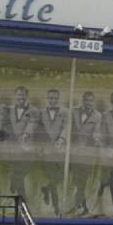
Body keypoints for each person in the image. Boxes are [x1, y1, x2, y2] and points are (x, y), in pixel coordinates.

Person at [2, 85, 40, 199]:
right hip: (12, 149)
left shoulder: (34, 110)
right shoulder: (9, 110)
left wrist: (26, 134)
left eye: (23, 95)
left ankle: (14, 184)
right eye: (19, 95)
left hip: (27, 149)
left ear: (27, 96)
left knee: (21, 172)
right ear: (15, 96)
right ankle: (21, 200)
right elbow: (5, 125)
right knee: (18, 173)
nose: (21, 97)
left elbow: (32, 124)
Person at [69, 91, 102, 215]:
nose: (89, 103)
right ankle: (81, 206)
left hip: (87, 154)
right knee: (78, 180)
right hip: (75, 152)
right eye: (87, 100)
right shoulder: (73, 111)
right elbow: (69, 128)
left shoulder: (97, 115)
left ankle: (80, 205)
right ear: (83, 100)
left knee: (82, 180)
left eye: (91, 101)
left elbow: (97, 131)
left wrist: (97, 139)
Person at [36, 88, 67, 216]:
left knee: (59, 178)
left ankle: (46, 188)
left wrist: (61, 139)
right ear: (47, 99)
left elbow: (66, 127)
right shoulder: (41, 113)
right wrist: (40, 148)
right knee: (53, 180)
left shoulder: (64, 112)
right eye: (51, 98)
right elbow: (38, 131)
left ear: (58, 99)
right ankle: (57, 209)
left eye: (55, 98)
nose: (53, 101)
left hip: (59, 151)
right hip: (47, 152)